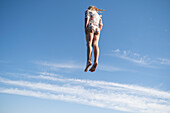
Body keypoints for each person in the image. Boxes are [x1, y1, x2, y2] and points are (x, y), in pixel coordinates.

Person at [84, 6, 105, 72]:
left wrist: (85, 29)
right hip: (97, 29)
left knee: (89, 44)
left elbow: (87, 19)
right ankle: (96, 61)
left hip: (91, 26)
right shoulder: (98, 16)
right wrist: (98, 31)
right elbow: (101, 25)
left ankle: (88, 61)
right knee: (95, 45)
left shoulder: (88, 11)